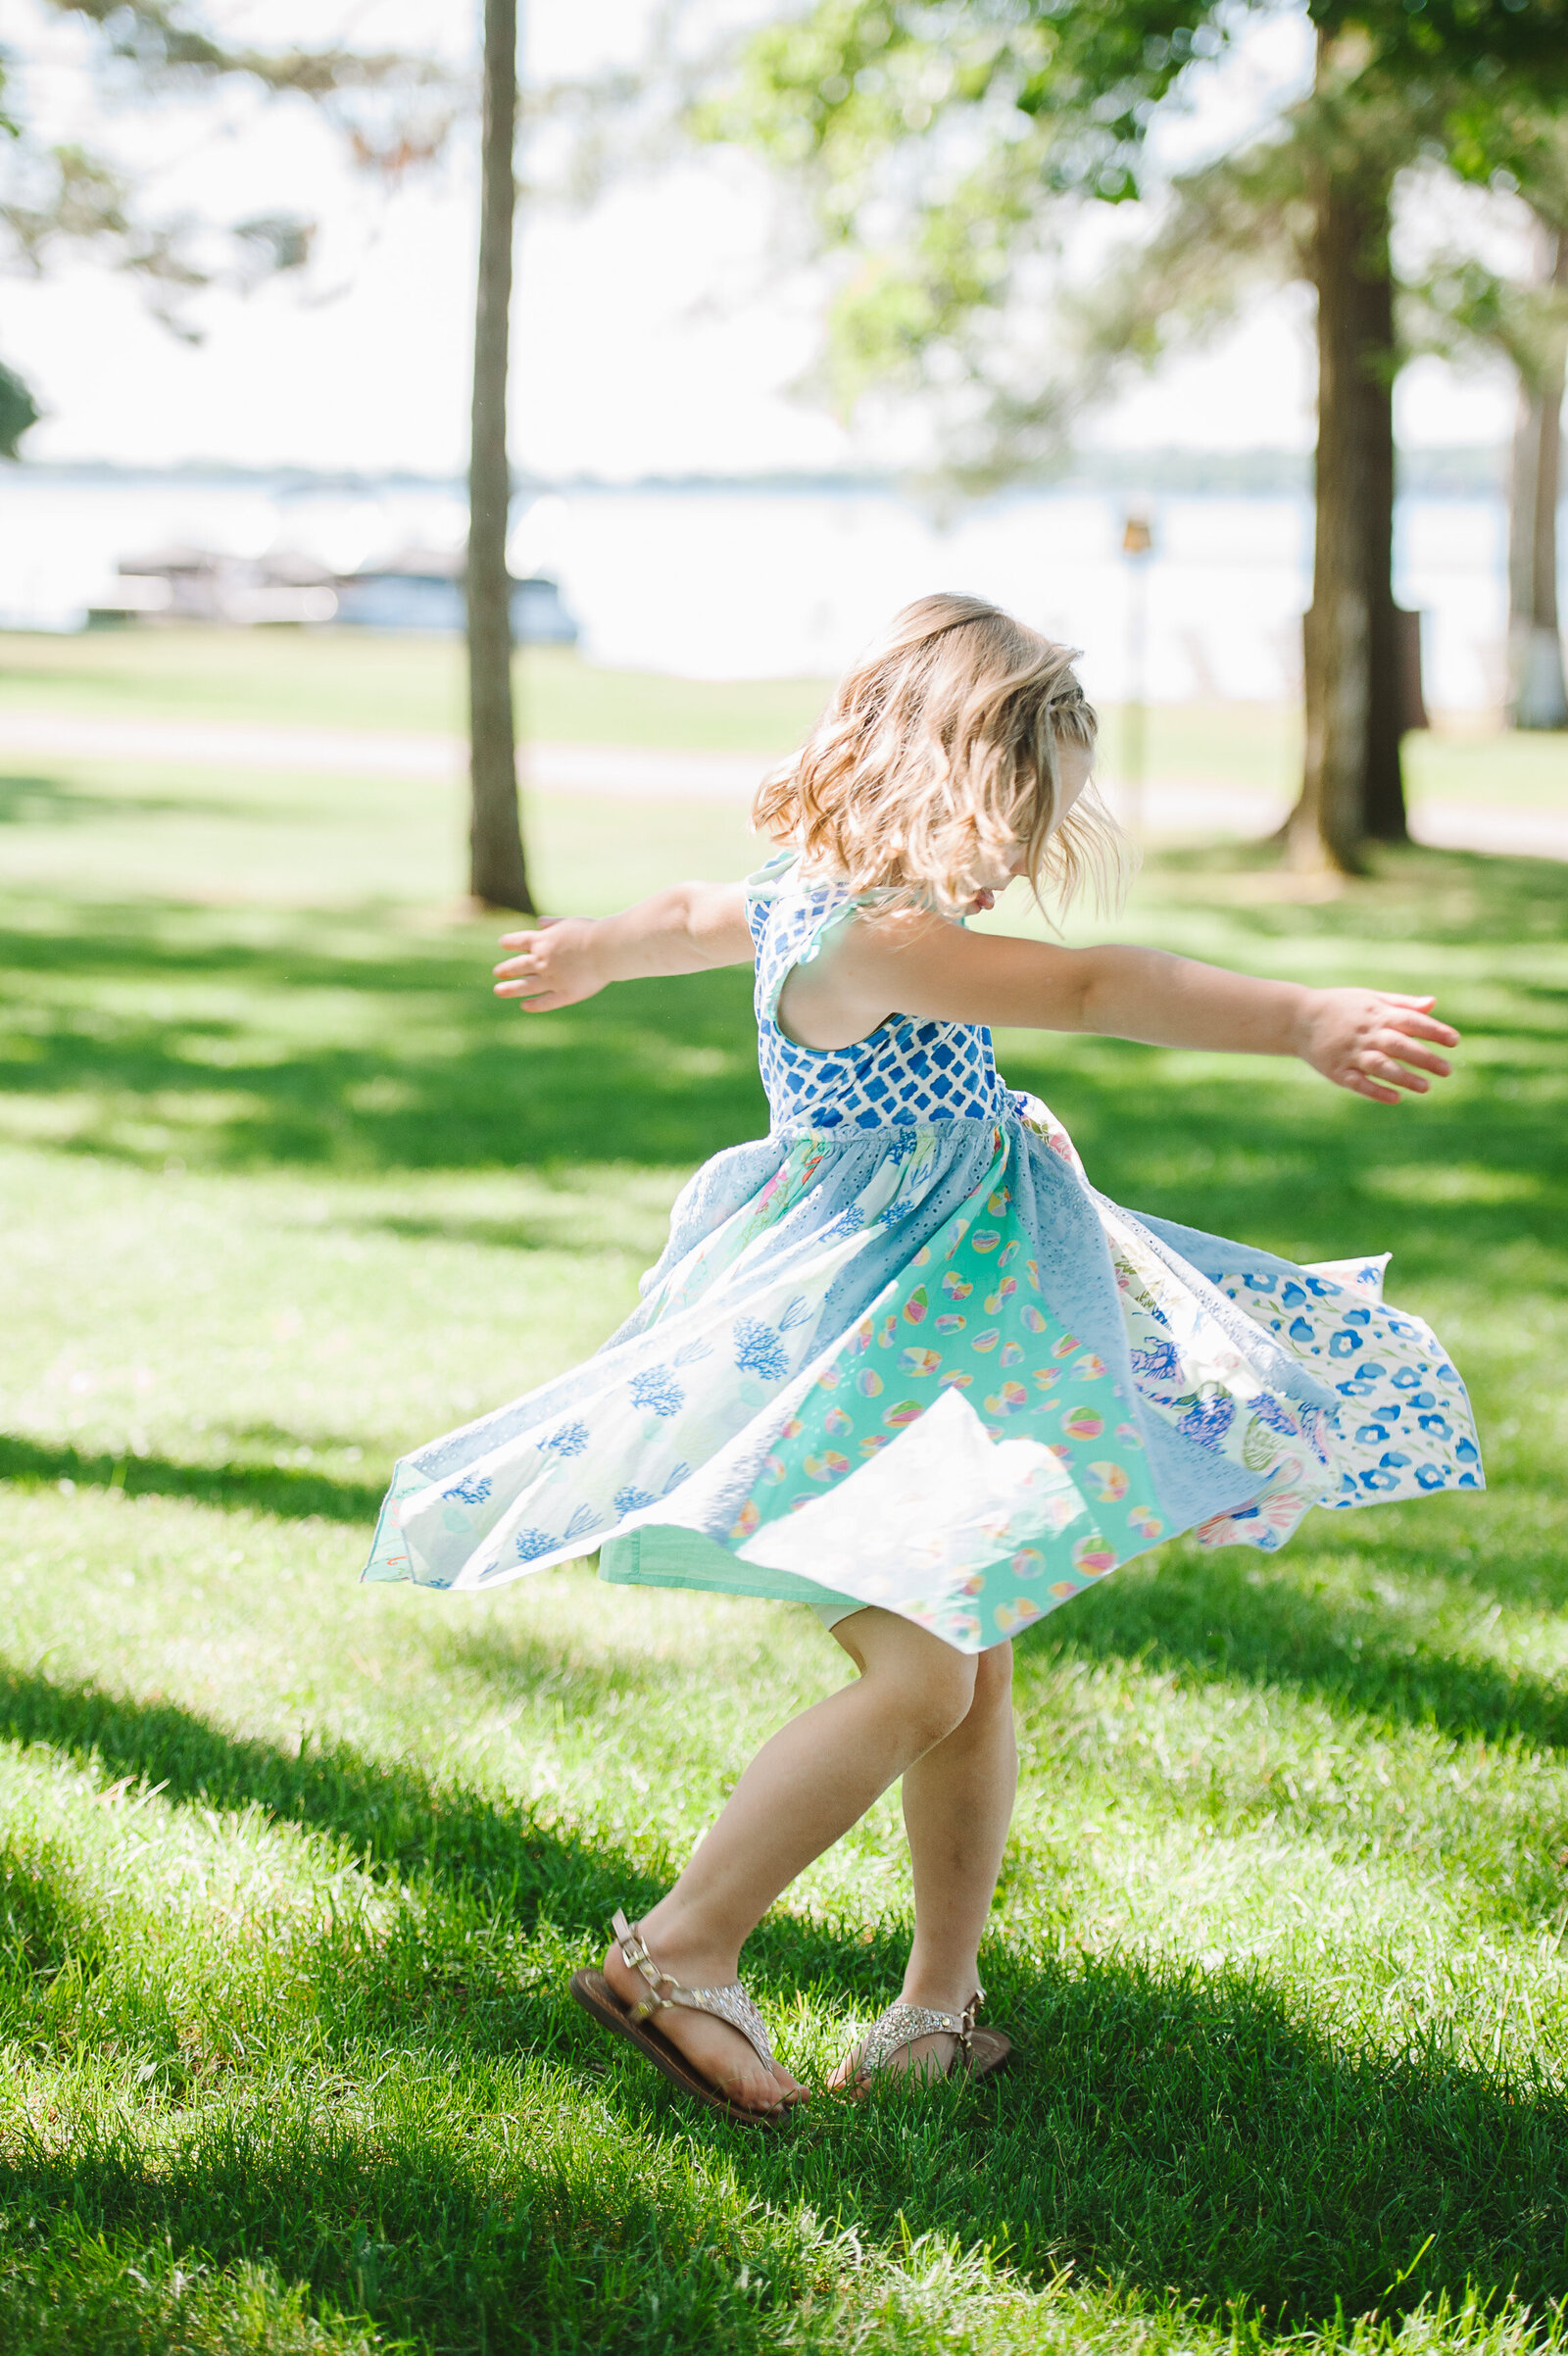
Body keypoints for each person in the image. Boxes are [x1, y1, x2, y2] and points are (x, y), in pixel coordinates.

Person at [363, 593, 1481, 2126]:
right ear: (957, 777)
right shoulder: (878, 935)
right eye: (1029, 814)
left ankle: (936, 2005)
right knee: (920, 1676)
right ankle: (681, 1950)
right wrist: (1301, 1019)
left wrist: (587, 957)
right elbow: (1101, 988)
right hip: (871, 1343)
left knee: (974, 1654)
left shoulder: (801, 894)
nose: (1029, 853)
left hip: (940, 1327)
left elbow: (690, 914)